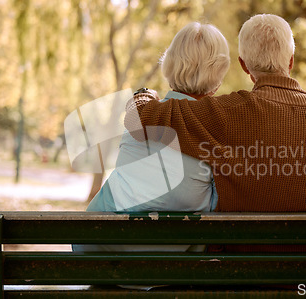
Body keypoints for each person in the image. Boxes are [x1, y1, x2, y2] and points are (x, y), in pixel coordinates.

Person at [126, 14, 306, 252]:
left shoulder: (226, 113)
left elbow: (140, 116)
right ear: (291, 61)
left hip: (244, 269)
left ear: (244, 65)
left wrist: (145, 94)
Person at [74, 22, 230, 253]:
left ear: (169, 65)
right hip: (175, 267)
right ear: (218, 75)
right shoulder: (219, 131)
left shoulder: (140, 116)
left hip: (103, 256)